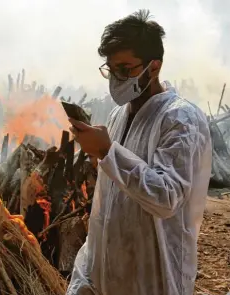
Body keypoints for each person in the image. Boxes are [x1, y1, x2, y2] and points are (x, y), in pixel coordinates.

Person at [67, 10, 212, 295]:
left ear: (153, 67)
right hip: (108, 274)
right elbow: (104, 208)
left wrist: (108, 151)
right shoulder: (117, 116)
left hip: (156, 276)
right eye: (111, 69)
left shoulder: (180, 119)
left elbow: (166, 198)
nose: (116, 79)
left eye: (126, 68)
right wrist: (86, 272)